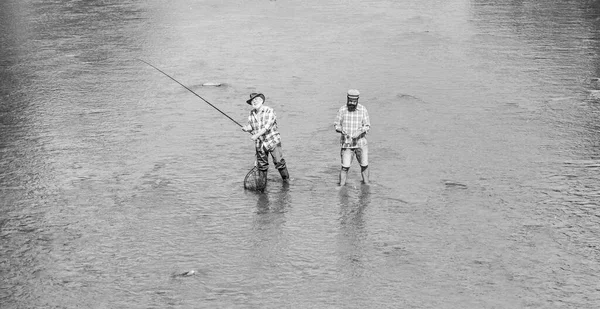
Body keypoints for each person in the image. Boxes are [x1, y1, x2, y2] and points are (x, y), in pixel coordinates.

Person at [242, 93, 289, 187]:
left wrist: (256, 135)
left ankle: (286, 182)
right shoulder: (251, 113)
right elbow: (252, 126)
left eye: (256, 99)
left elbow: (266, 127)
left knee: (279, 162)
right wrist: (247, 128)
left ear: (262, 101)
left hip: (272, 141)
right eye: (252, 101)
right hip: (260, 143)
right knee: (262, 166)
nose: (254, 101)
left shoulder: (269, 111)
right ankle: (262, 186)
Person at [334, 89, 370, 186]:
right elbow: (336, 125)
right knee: (345, 167)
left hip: (361, 143)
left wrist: (359, 132)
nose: (351, 103)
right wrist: (341, 130)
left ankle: (366, 185)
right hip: (346, 144)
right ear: (347, 99)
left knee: (364, 165)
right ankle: (341, 186)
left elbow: (367, 125)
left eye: (354, 102)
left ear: (357, 100)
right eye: (350, 101)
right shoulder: (342, 110)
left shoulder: (363, 110)